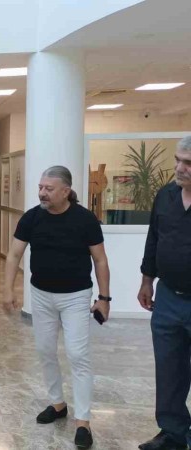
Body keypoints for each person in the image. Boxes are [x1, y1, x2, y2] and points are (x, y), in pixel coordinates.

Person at [3, 166, 110, 450]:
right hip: (41, 295)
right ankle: (58, 404)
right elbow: (14, 254)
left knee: (78, 354)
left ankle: (83, 421)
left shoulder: (85, 220)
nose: (42, 193)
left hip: (76, 296)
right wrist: (8, 289)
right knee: (45, 350)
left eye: (48, 189)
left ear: (66, 191)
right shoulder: (32, 218)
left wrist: (104, 298)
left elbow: (100, 260)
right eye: (40, 187)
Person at [138, 136, 191, 450]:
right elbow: (153, 239)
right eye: (178, 160)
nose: (180, 168)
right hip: (168, 297)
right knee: (169, 368)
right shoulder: (166, 195)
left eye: (188, 163)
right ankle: (173, 433)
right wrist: (147, 280)